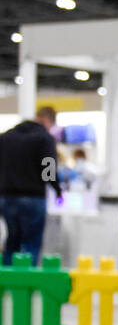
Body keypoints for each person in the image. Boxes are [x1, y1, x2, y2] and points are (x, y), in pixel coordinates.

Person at [0, 106, 62, 265]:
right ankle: (26, 286)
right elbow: (48, 170)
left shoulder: (6, 137)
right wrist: (58, 191)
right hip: (33, 198)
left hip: (7, 198)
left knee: (11, 243)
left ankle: (7, 284)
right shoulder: (44, 139)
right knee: (31, 245)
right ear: (49, 120)